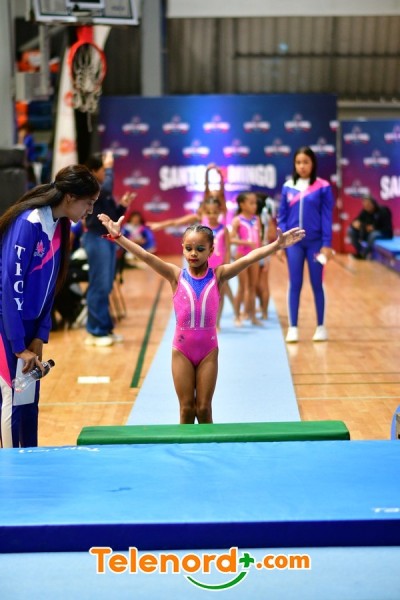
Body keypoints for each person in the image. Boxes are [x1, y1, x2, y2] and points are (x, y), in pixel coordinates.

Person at [98, 211, 305, 424]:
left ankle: (210, 446)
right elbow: (146, 256)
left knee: (204, 409)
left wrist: (276, 246)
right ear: (183, 248)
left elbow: (249, 258)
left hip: (208, 351)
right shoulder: (175, 276)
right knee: (186, 409)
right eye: (188, 248)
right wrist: (119, 238)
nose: (193, 254)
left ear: (211, 250)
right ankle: (184, 446)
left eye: (200, 249)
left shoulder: (219, 275)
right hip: (182, 351)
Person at [0, 165, 100, 448]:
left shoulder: (59, 224)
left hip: (29, 328)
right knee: (12, 399)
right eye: (89, 203)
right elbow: (10, 285)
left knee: (28, 403)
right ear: (70, 197)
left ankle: (30, 462)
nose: (90, 210)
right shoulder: (28, 223)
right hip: (7, 326)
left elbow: (51, 286)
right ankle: (11, 468)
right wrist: (17, 344)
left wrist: (39, 335)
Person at [278, 146, 334, 343]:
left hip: (316, 244)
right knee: (295, 284)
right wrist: (281, 244)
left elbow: (327, 217)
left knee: (317, 283)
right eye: (298, 162)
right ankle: (293, 328)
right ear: (294, 164)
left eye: (306, 162)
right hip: (294, 244)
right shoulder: (288, 186)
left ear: (313, 164)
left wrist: (327, 243)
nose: (302, 166)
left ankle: (321, 327)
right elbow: (282, 217)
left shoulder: (323, 186)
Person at [83, 152, 134, 347]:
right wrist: (111, 168)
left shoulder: (103, 192)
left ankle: (104, 328)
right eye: (104, 170)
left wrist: (123, 206)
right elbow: (106, 188)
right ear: (94, 171)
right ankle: (95, 331)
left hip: (106, 240)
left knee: (106, 286)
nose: (107, 174)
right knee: (99, 285)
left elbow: (111, 216)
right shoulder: (91, 187)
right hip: (96, 239)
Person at [230, 191, 262, 326]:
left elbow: (259, 239)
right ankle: (237, 316)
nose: (255, 206)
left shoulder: (257, 219)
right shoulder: (238, 220)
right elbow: (230, 239)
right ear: (242, 205)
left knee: (253, 287)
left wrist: (262, 254)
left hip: (255, 257)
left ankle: (253, 316)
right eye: (251, 203)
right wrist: (246, 243)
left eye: (255, 203)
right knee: (242, 287)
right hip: (242, 256)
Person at [348, 195, 393, 259]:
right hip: (368, 233)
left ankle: (364, 254)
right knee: (351, 231)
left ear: (373, 203)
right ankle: (360, 251)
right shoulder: (364, 212)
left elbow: (386, 226)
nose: (366, 206)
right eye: (365, 205)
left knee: (373, 234)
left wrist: (373, 228)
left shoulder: (383, 211)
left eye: (368, 204)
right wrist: (354, 224)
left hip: (384, 232)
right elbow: (356, 221)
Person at [256, 192, 277, 320]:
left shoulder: (264, 216)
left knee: (263, 284)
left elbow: (272, 234)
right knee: (256, 284)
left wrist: (263, 239)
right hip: (255, 252)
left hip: (262, 252)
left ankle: (264, 311)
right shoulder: (255, 217)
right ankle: (262, 308)